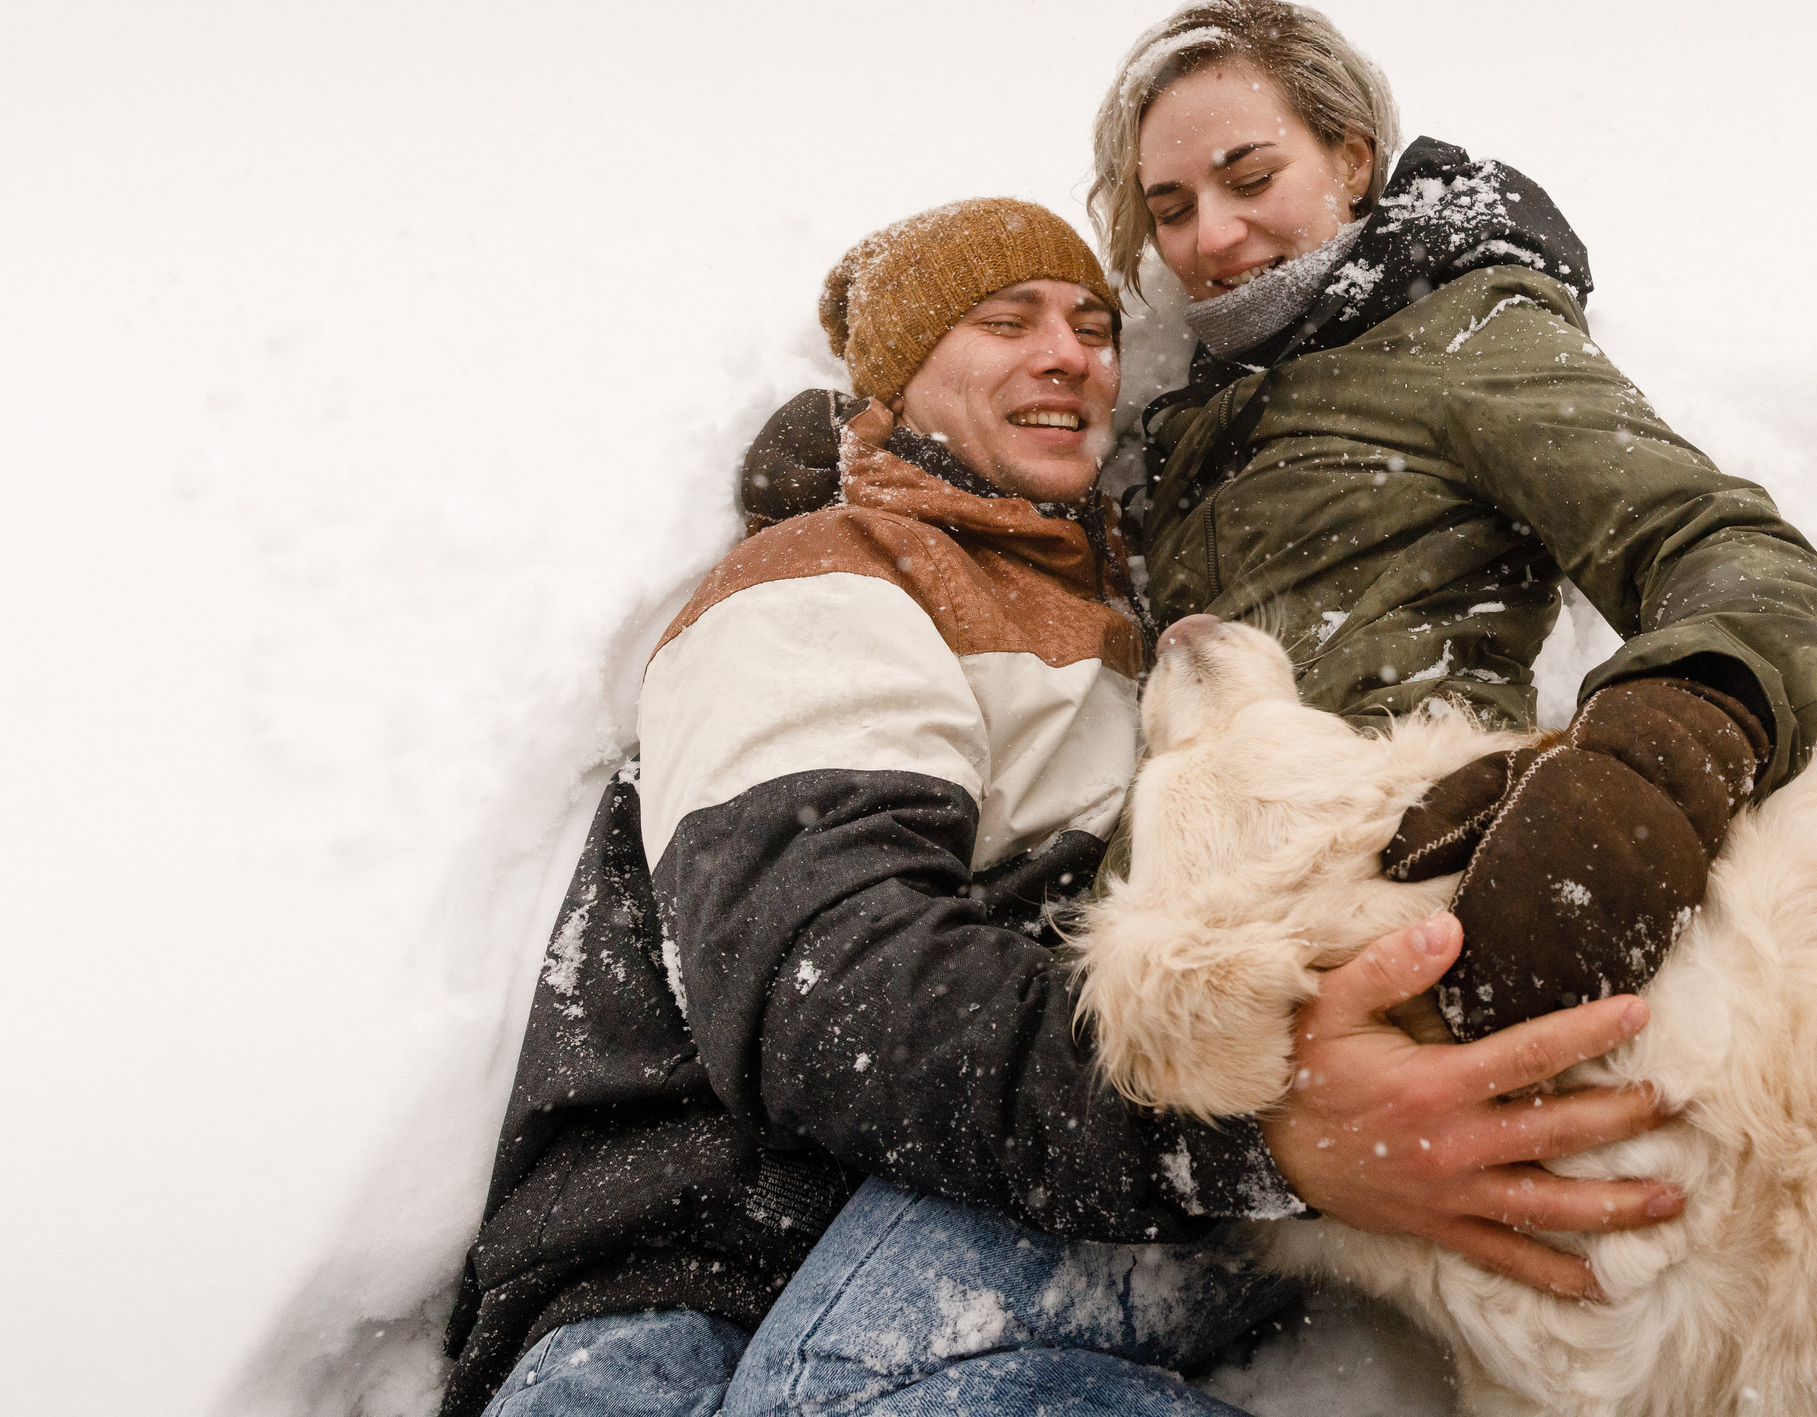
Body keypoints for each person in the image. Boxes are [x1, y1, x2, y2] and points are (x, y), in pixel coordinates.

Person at [442, 197, 1685, 1417]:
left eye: (1092, 326)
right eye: (1004, 319)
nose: (1067, 356)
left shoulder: (1128, 629)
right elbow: (832, 979)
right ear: (895, 371)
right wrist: (1258, 1138)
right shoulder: (831, 576)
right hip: (682, 1257)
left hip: (1051, 1191)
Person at [1091, 0, 1817, 1042]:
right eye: (1171, 209)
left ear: (1353, 159)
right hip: (1202, 959)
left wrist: (1653, 764)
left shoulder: (1457, 331)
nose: (1211, 236)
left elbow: (1723, 547)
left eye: (1251, 178)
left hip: (1390, 925)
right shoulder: (1204, 405)